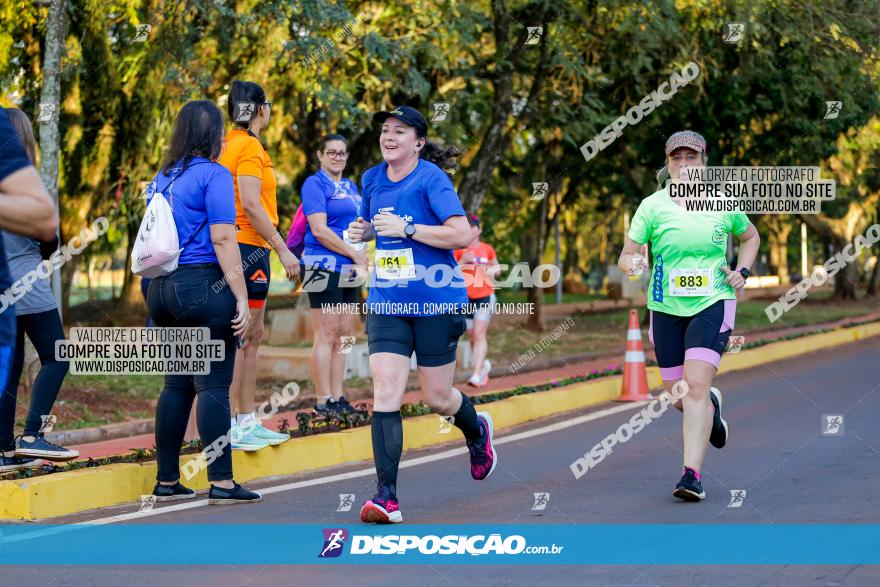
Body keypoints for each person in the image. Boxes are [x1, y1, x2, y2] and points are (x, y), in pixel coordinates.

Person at [347, 106, 497, 524]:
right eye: (385, 130)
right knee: (387, 389)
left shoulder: (433, 178)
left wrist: (409, 230)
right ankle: (386, 497)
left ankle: (476, 430)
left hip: (437, 301)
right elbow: (378, 223)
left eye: (400, 131)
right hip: (388, 301)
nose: (389, 136)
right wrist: (367, 232)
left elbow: (460, 233)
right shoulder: (372, 178)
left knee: (436, 398)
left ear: (418, 142)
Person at [617, 130, 760, 502]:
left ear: (704, 162)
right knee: (680, 396)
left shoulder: (723, 201)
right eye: (676, 158)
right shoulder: (651, 206)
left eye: (691, 157)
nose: (684, 164)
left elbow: (751, 238)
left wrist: (741, 272)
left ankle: (691, 475)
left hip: (714, 300)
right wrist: (633, 263)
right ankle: (711, 405)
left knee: (694, 385)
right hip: (665, 306)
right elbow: (627, 253)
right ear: (667, 164)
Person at [145, 100, 260, 504]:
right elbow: (224, 238)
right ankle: (223, 482)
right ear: (214, 136)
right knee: (213, 383)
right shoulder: (214, 174)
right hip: (201, 286)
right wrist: (241, 297)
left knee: (176, 385)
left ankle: (166, 480)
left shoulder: (162, 176)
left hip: (161, 290)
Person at [219, 80, 298, 451]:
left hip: (235, 248)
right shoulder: (249, 146)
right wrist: (282, 249)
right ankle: (237, 425)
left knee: (248, 337)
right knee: (246, 337)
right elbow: (252, 204)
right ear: (261, 109)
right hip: (250, 249)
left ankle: (244, 420)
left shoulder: (225, 143)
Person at [0, 108, 78, 464]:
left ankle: (4, 449)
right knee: (59, 356)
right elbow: (50, 241)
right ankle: (33, 434)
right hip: (28, 283)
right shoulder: (24, 184)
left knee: (11, 369)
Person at [300, 133, 368, 415]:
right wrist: (353, 253)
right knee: (326, 332)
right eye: (331, 152)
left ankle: (338, 398)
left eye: (342, 153)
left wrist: (361, 254)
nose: (337, 157)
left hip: (349, 269)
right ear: (320, 155)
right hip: (319, 265)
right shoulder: (314, 184)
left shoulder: (351, 186)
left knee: (345, 333)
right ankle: (322, 400)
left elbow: (358, 225)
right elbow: (319, 229)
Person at [453, 214, 499, 387]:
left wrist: (488, 269)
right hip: (465, 298)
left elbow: (498, 271)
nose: (470, 229)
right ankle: (484, 367)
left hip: (484, 295)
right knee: (472, 337)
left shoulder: (487, 249)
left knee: (479, 334)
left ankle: (477, 374)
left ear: (479, 229)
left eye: (473, 226)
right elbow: (448, 273)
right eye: (467, 225)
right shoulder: (458, 249)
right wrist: (463, 261)